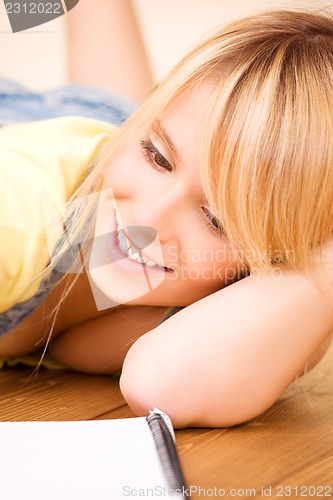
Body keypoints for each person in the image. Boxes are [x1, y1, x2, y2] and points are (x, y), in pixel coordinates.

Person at [1, 2, 333, 429]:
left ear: (269, 262)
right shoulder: (17, 212)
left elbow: (161, 385)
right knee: (111, 105)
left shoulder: (225, 300)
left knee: (114, 102)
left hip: (110, 122)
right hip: (63, 139)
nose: (151, 219)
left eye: (216, 221)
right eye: (156, 156)